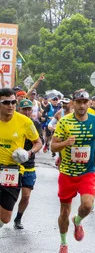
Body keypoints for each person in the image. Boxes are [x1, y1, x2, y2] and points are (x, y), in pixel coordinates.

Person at [51, 89, 95, 253]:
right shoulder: (64, 122)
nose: (82, 105)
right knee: (64, 211)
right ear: (73, 103)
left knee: (88, 205)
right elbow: (53, 145)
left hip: (87, 172)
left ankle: (78, 221)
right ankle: (64, 242)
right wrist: (66, 143)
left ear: (89, 103)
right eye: (79, 102)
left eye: (85, 102)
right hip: (67, 173)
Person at [0, 88, 42, 228]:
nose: (10, 105)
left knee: (5, 218)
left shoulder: (25, 122)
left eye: (12, 102)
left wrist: (29, 153)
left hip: (12, 170)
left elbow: (38, 142)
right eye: (6, 102)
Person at [14, 99, 43, 229]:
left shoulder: (35, 124)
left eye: (29, 110)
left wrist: (30, 152)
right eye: (24, 109)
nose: (26, 112)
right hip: (12, 165)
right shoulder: (13, 122)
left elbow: (39, 143)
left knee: (25, 196)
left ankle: (18, 218)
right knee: (8, 195)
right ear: (18, 110)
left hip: (28, 164)